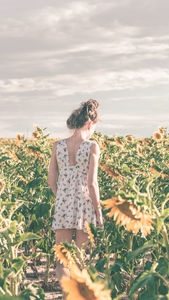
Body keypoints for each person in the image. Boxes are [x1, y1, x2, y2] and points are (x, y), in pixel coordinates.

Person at [47, 99, 103, 295]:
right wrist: (98, 210)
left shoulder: (57, 146)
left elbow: (51, 181)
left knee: (62, 257)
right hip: (85, 204)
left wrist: (62, 195)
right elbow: (92, 183)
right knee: (79, 258)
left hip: (63, 203)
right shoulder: (92, 146)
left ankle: (66, 295)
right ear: (90, 124)